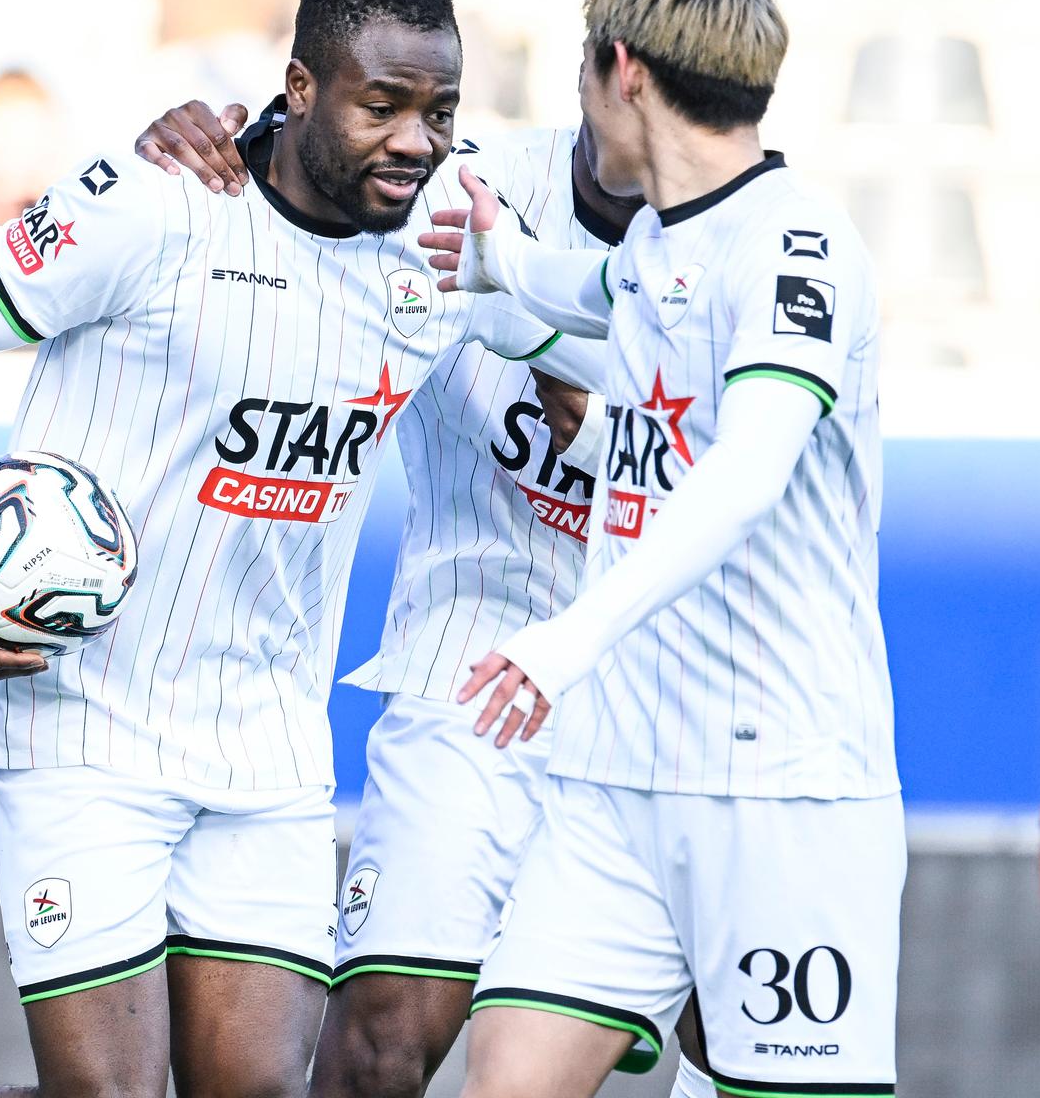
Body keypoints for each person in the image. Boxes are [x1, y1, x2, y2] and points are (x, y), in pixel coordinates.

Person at [0, 0, 601, 1098]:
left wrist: (610, 332)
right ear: (298, 85)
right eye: (381, 105)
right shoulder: (154, 203)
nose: (415, 141)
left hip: (267, 744)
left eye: (441, 110)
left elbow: (611, 352)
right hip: (80, 722)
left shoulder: (444, 234)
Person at [138, 109, 727, 1098]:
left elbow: (693, 463)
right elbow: (313, 160)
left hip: (656, 698)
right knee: (378, 1046)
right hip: (468, 666)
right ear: (604, 67)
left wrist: (538, 334)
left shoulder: (749, 241)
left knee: (746, 1035)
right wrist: (203, 147)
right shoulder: (464, 185)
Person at [430, 0, 901, 1098]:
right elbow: (589, 291)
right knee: (508, 1078)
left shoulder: (799, 247)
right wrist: (497, 252)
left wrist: (566, 636)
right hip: (614, 775)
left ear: (621, 69)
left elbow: (744, 473)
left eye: (584, 75)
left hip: (781, 787)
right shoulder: (656, 239)